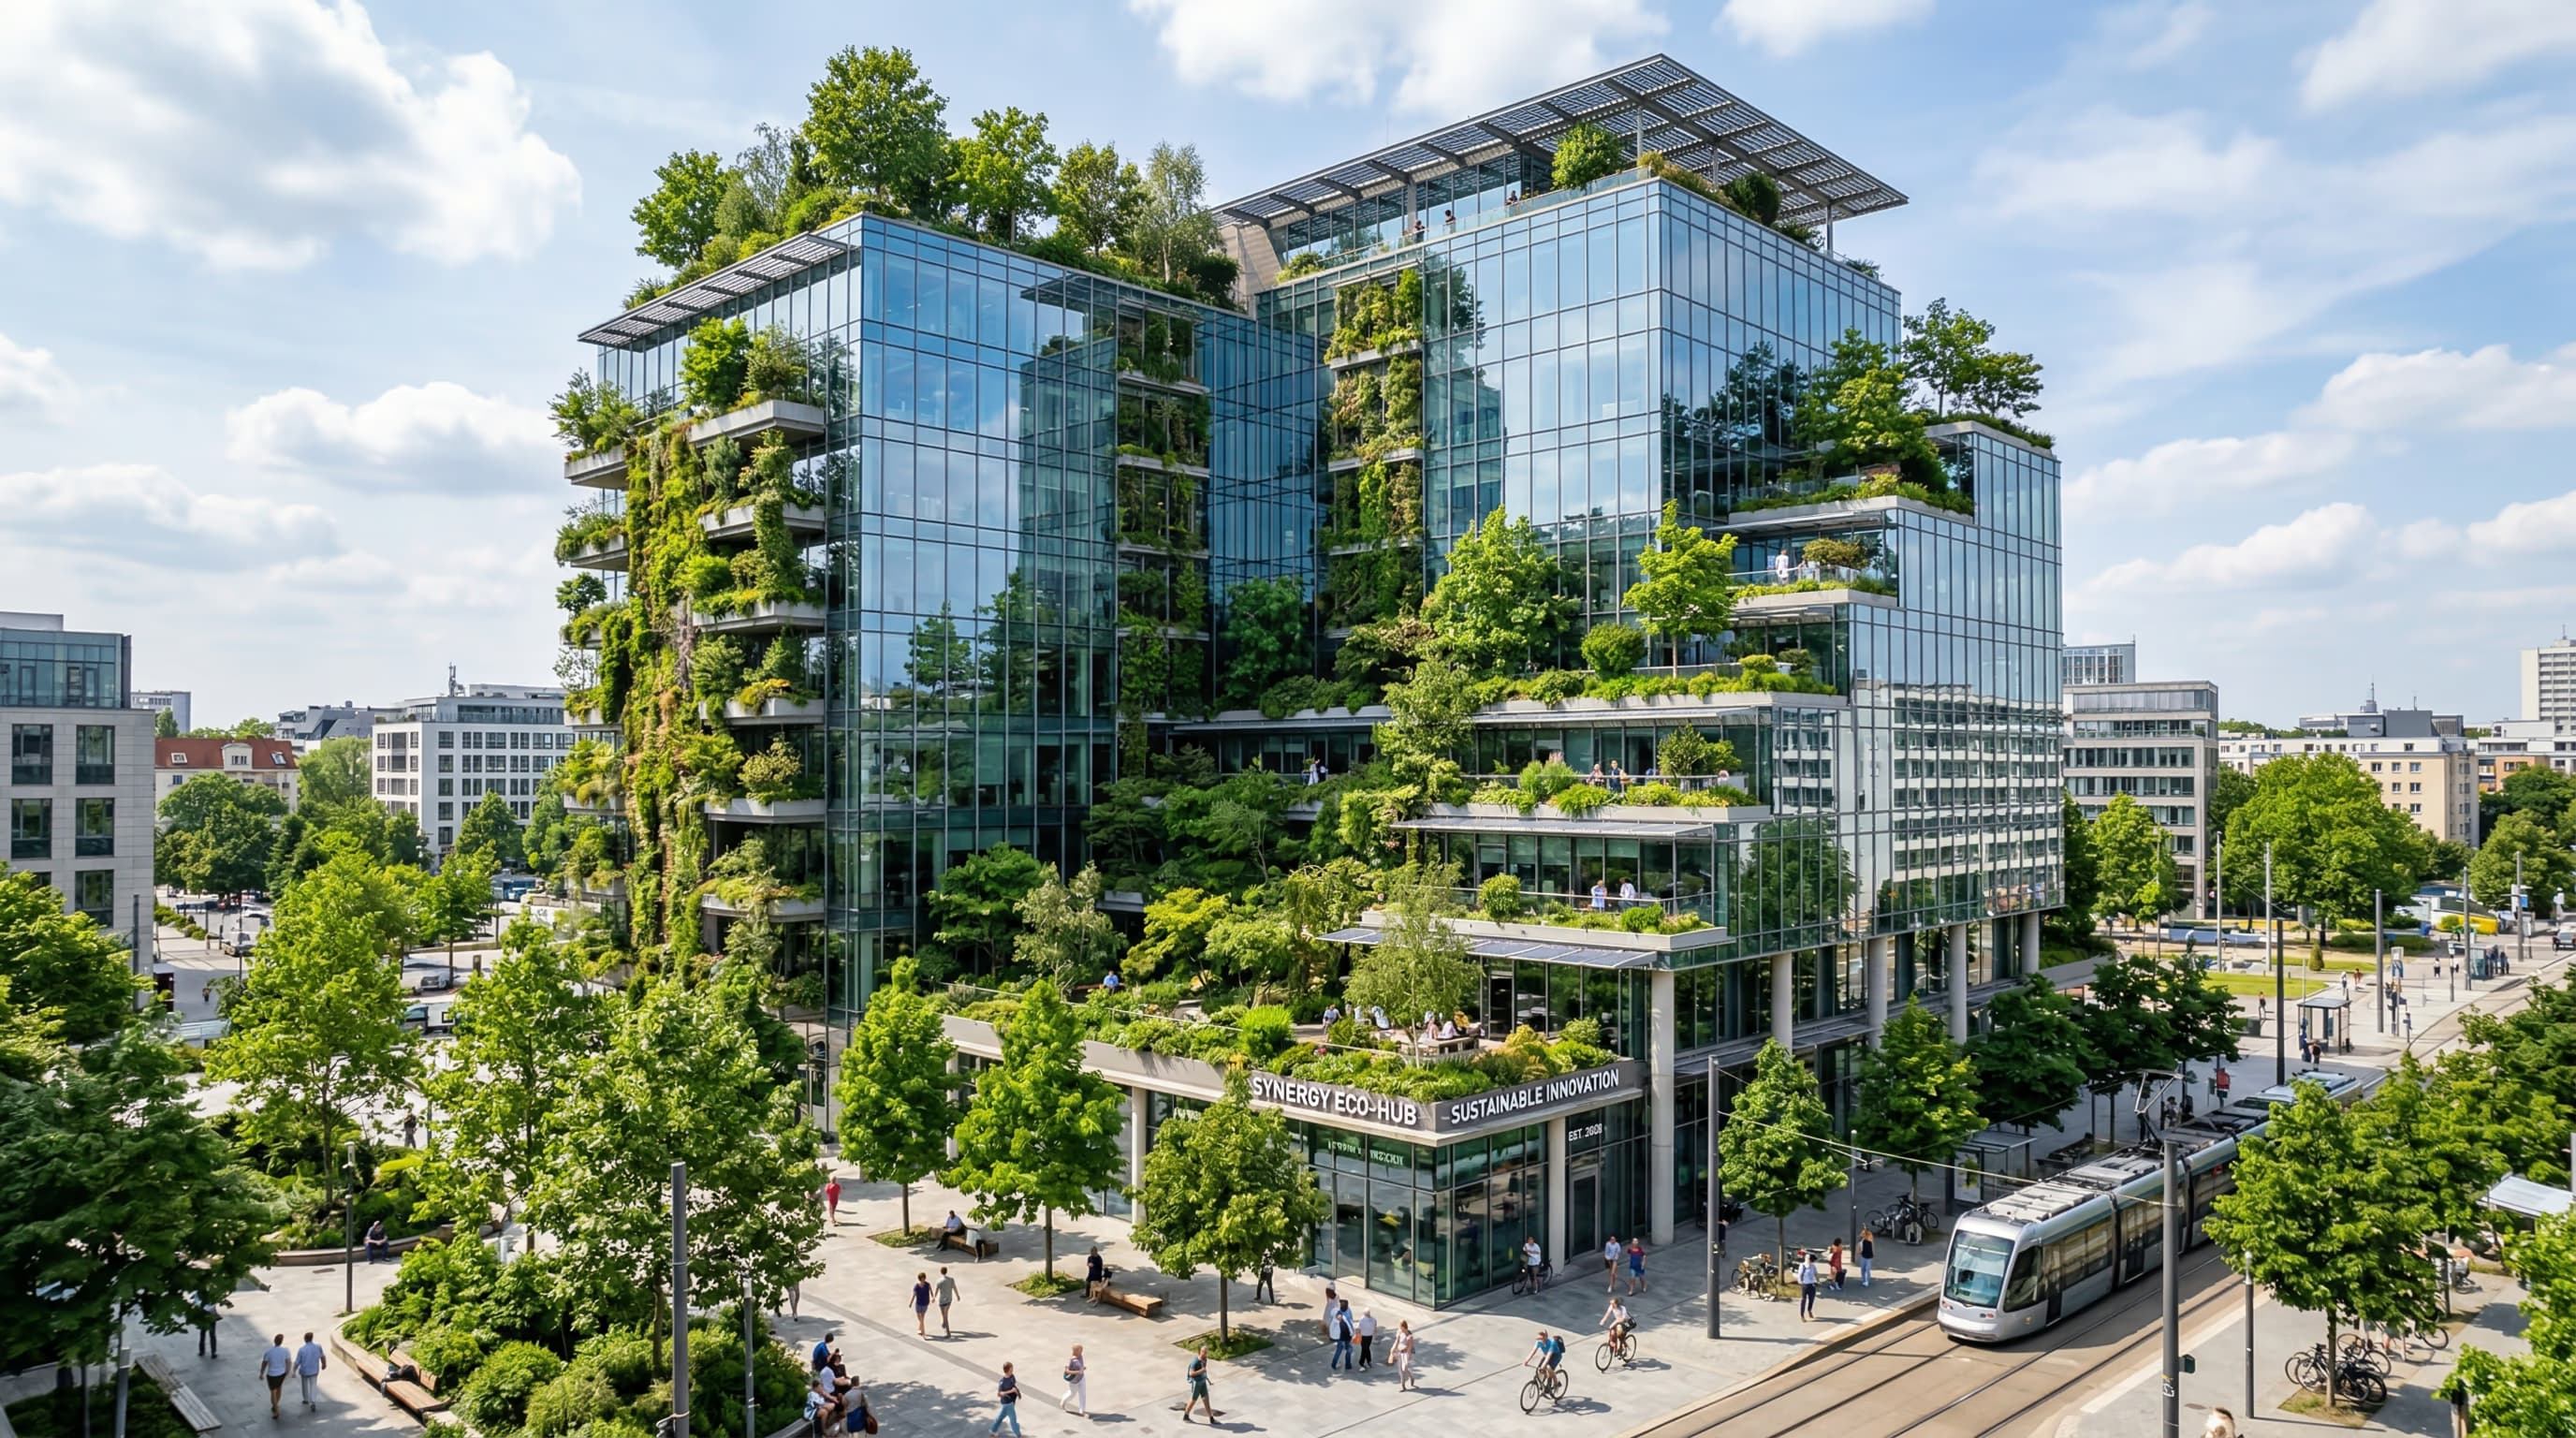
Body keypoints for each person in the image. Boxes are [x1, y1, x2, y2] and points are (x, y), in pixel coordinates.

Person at [258, 1333, 292, 1418]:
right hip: (281, 1373)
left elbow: (264, 1363)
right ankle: (276, 1404)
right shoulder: (286, 1351)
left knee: (273, 1391)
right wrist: (288, 1370)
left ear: (274, 1341)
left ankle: (276, 1409)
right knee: (279, 1388)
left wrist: (262, 1373)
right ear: (281, 1341)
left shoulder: (269, 1352)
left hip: (272, 1374)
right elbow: (288, 1361)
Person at [1183, 1343, 1219, 1423]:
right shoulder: (1195, 1361)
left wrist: (1208, 1380)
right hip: (1196, 1383)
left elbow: (1204, 1371)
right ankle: (1186, 1415)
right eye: (1203, 1351)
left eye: (1206, 1352)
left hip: (1203, 1382)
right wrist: (1201, 1371)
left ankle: (1211, 1418)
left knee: (1206, 1400)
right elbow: (1191, 1373)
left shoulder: (1205, 1359)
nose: (1205, 1353)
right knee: (1193, 1400)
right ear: (1200, 1351)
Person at [293, 1331, 326, 1409]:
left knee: (304, 1385)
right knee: (313, 1385)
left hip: (304, 1370)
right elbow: (322, 1356)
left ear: (305, 1339)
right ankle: (313, 1401)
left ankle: (305, 1399)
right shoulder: (318, 1347)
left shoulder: (302, 1349)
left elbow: (297, 1362)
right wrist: (324, 1364)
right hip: (314, 1369)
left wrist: (294, 1370)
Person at [989, 1362, 1022, 1437]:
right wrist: (1012, 1391)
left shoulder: (1012, 1376)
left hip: (1011, 1402)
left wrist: (1017, 1392)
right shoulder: (1002, 1382)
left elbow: (1013, 1385)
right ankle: (1018, 1435)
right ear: (1006, 1370)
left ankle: (993, 1430)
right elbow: (999, 1394)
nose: (1012, 1371)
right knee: (1013, 1421)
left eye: (1012, 1369)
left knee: (1000, 1417)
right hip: (1007, 1403)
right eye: (1011, 1370)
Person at [1060, 1344, 1088, 1416]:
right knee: (1072, 1394)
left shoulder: (1080, 1356)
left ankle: (1082, 1411)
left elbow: (1080, 1366)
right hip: (1074, 1381)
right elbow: (1067, 1371)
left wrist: (1082, 1368)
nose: (1082, 1351)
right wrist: (1078, 1372)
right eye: (1080, 1350)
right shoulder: (1071, 1360)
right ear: (1076, 1351)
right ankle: (1063, 1401)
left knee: (1083, 1394)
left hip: (1081, 1378)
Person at [1329, 1300, 1355, 1372]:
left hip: (1342, 1337)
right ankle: (1347, 1365)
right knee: (1347, 1350)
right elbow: (1350, 1326)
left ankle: (1336, 1364)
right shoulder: (1343, 1316)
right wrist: (1353, 1334)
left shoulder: (1339, 1313)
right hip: (1345, 1337)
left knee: (1341, 1350)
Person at [1391, 1319, 1417, 1390]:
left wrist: (1408, 1357)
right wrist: (1393, 1350)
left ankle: (1411, 1377)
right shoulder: (1400, 1332)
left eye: (1400, 1327)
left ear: (1404, 1327)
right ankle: (1403, 1386)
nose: (1400, 1329)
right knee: (1401, 1370)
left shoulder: (1409, 1337)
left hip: (1406, 1353)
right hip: (1400, 1352)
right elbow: (1397, 1341)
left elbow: (1409, 1348)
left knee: (1404, 1368)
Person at [936, 1266, 961, 1336]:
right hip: (949, 1299)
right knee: (945, 1315)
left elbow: (936, 1290)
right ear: (946, 1271)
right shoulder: (951, 1280)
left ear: (941, 1272)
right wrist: (957, 1295)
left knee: (945, 1315)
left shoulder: (939, 1281)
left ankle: (947, 1332)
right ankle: (944, 1323)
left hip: (941, 1300)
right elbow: (954, 1288)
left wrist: (934, 1297)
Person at [1797, 1249, 1820, 1321]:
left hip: (1812, 1285)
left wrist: (1818, 1280)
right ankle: (1802, 1315)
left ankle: (1809, 1310)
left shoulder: (1813, 1266)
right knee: (1803, 1300)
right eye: (1810, 1259)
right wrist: (1800, 1282)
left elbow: (1816, 1274)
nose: (1811, 1261)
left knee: (1811, 1299)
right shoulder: (1802, 1266)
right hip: (1805, 1285)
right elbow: (1800, 1275)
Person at [911, 1271, 932, 1336]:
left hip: (925, 1303)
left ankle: (923, 1332)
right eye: (922, 1278)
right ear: (920, 1279)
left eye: (924, 1278)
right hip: (918, 1303)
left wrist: (933, 1297)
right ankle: (920, 1328)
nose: (923, 1279)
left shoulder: (928, 1284)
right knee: (919, 1317)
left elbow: (931, 1291)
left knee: (922, 1317)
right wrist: (911, 1303)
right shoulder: (916, 1286)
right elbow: (914, 1295)